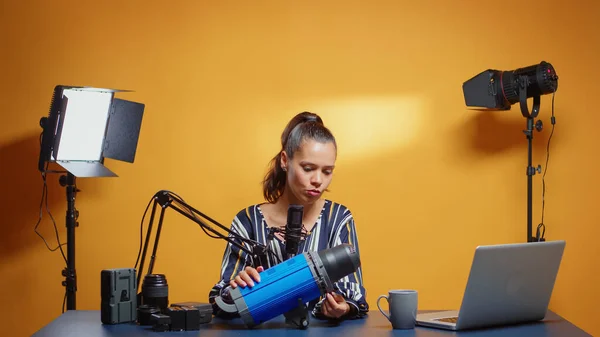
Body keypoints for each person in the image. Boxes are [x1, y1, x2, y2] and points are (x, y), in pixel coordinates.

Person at [208, 111, 369, 321]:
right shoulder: (247, 221)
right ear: (285, 160)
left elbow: (353, 293)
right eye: (308, 168)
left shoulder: (338, 218)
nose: (318, 180)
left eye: (327, 171)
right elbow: (221, 301)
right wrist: (236, 288)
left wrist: (343, 306)